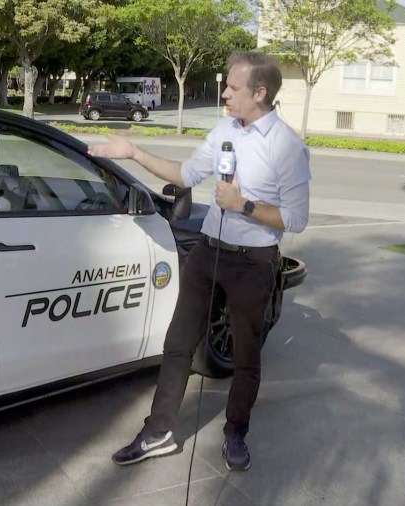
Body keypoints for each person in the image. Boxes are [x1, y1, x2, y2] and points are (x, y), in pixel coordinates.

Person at [87, 50, 311, 471]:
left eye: (232, 86)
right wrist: (134, 153)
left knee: (246, 356)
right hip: (209, 252)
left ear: (259, 93)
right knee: (178, 345)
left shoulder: (288, 147)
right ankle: (158, 433)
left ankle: (235, 434)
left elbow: (296, 218)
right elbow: (187, 174)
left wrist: (244, 205)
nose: (224, 93)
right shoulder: (225, 129)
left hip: (254, 262)